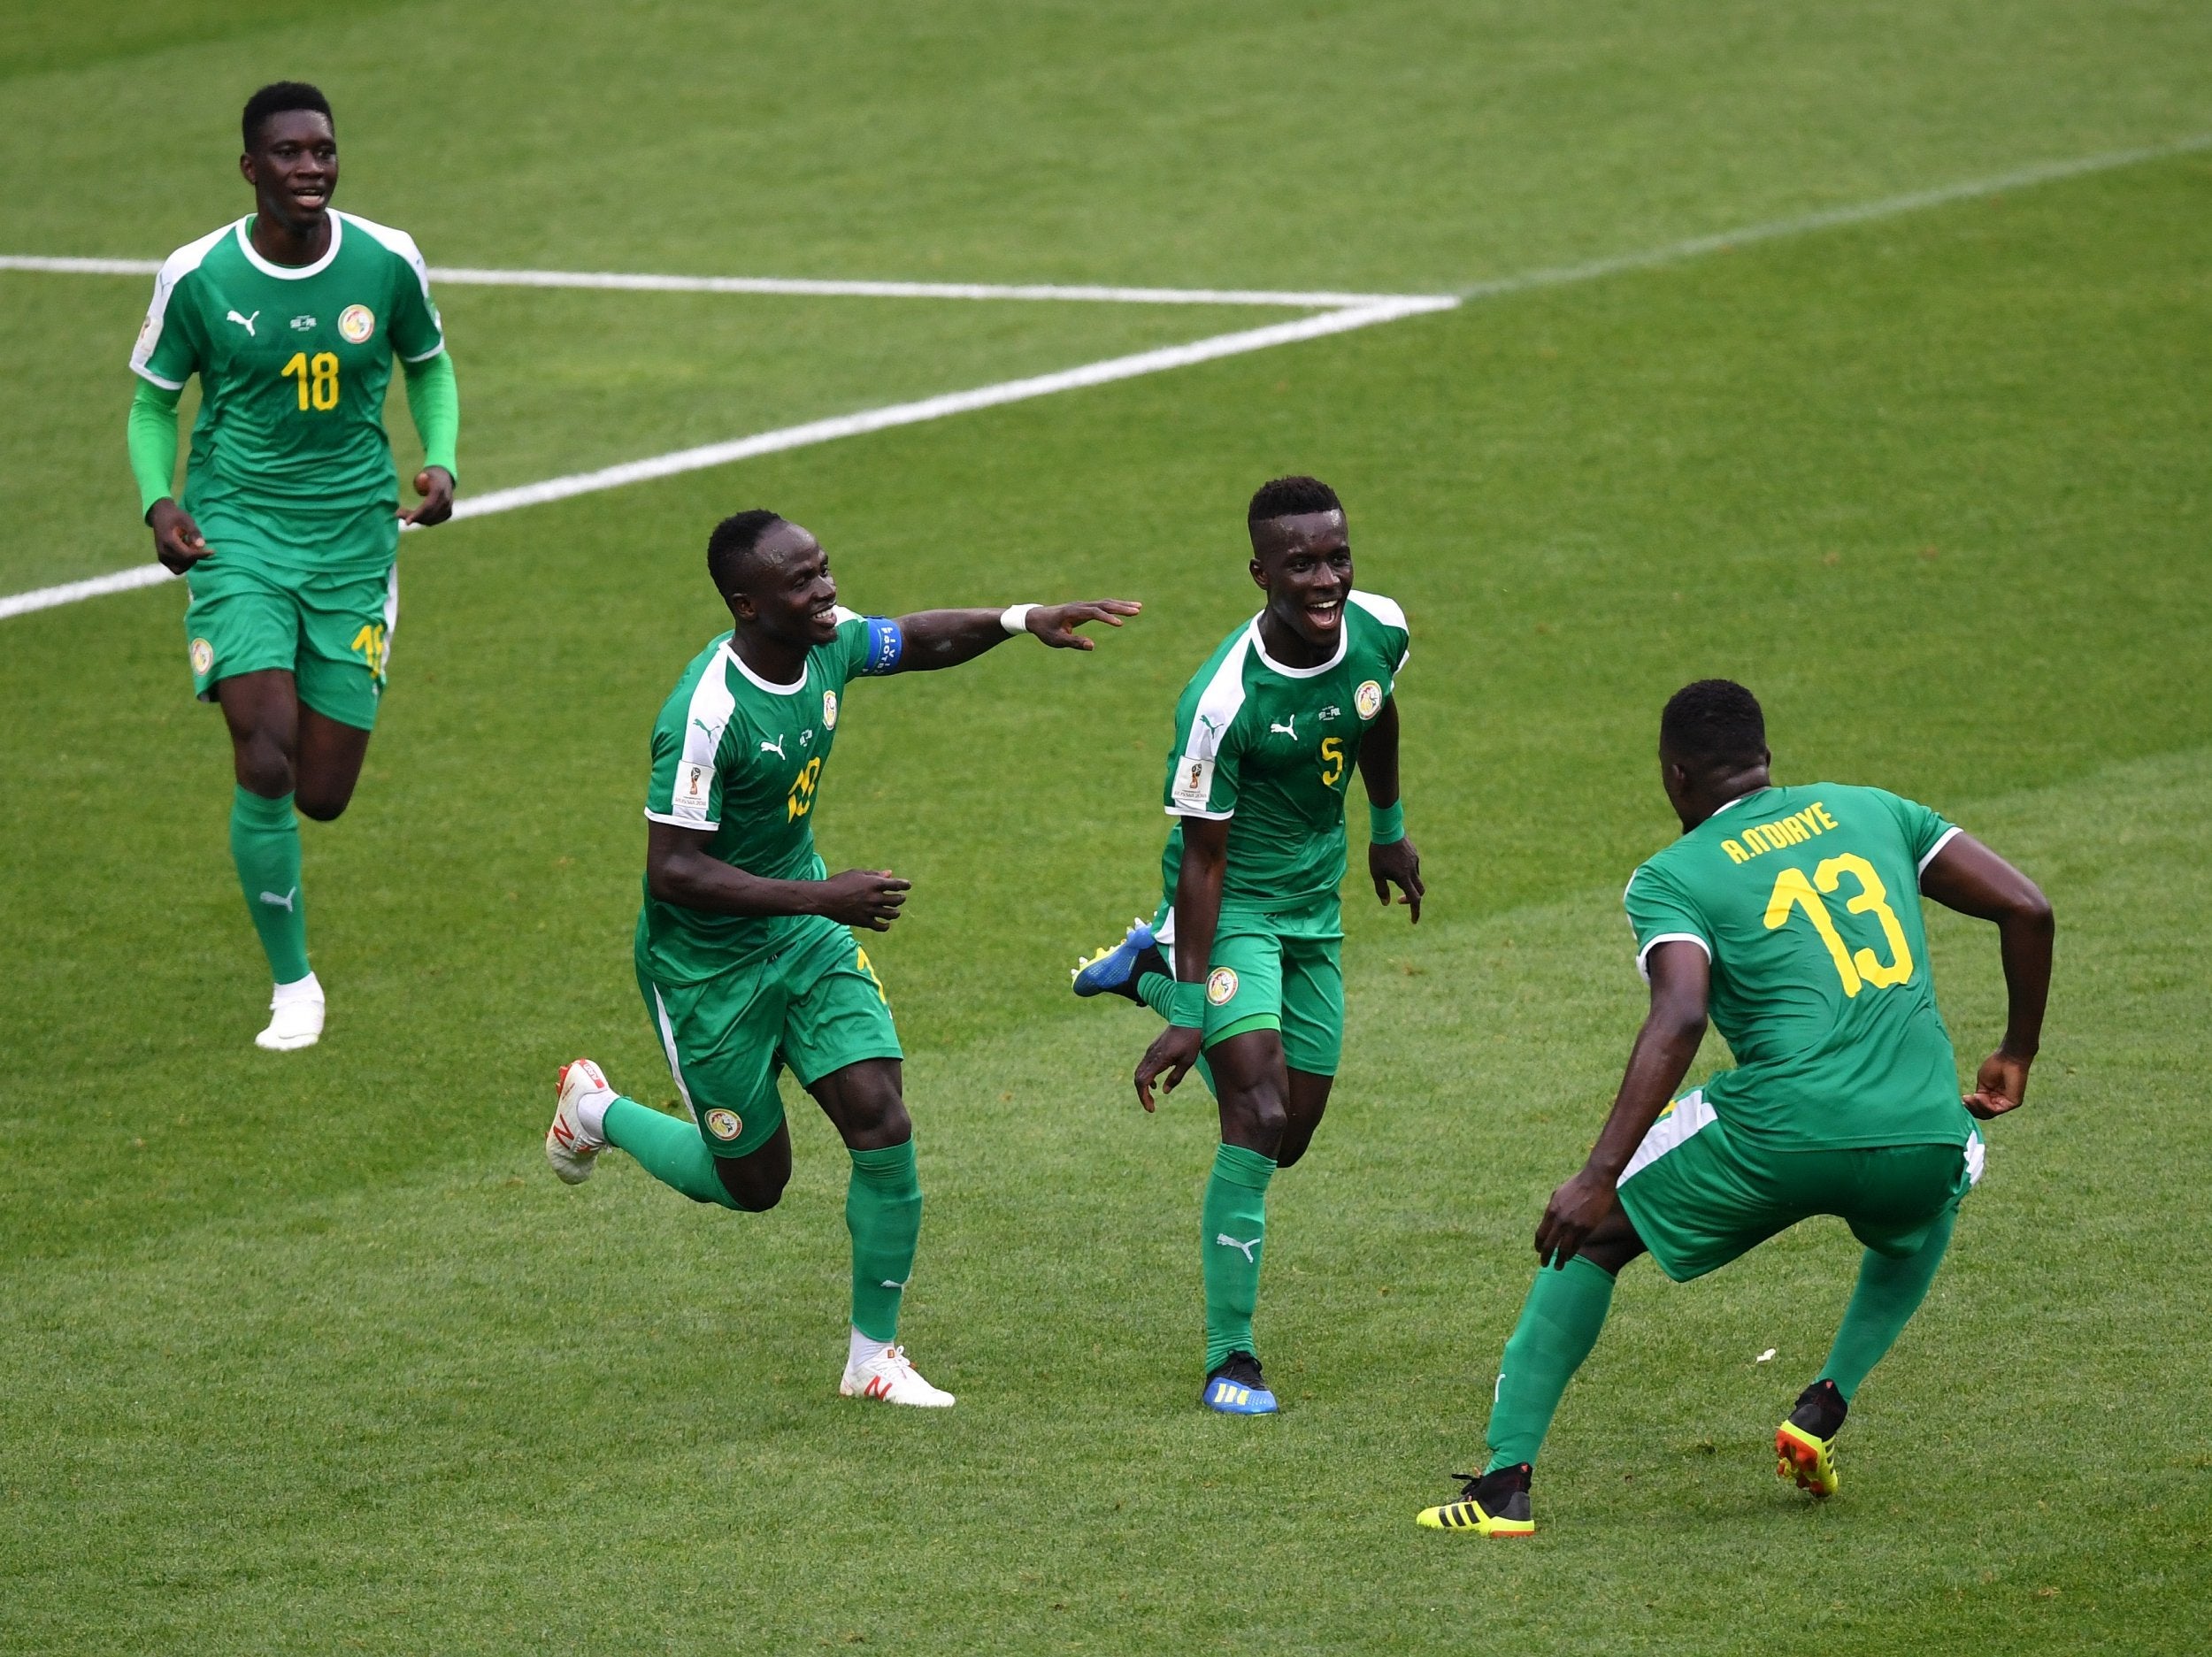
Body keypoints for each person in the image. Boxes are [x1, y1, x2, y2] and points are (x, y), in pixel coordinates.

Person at [1417, 679, 2053, 1535]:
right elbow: (2027, 905)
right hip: (1923, 1127)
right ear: (1764, 758)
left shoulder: (1671, 876)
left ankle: (1503, 1485)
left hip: (1779, 1130)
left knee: (1595, 1237)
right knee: (1951, 1169)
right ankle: (1827, 1399)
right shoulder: (1873, 810)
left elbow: (1678, 1013)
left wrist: (1596, 1173)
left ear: (1675, 777)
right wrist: (2014, 1051)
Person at [546, 510, 1139, 1407]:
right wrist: (825, 897)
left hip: (808, 934)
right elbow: (672, 871)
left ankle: (872, 1359)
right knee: (752, 1185)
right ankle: (595, 1108)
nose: (824, 591)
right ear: (748, 605)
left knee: (881, 1118)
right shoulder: (704, 713)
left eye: (823, 569)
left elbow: (915, 639)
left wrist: (1022, 619)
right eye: (801, 582)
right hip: (706, 970)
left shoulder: (824, 642)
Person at [1069, 476, 1423, 1414]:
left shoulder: (1381, 627)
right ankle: (1233, 1359)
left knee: (1288, 1138)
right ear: (1259, 571)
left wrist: (1387, 827)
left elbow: (1376, 710)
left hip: (1317, 906)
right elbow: (1203, 859)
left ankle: (1142, 966)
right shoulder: (1220, 700)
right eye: (1300, 563)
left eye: (1336, 557)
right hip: (1230, 907)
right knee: (1255, 1115)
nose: (1325, 579)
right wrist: (1191, 1012)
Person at [127, 81, 460, 1051]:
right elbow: (154, 400)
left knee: (322, 790)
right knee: (262, 747)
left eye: (323, 151)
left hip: (356, 537)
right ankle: (294, 983)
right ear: (249, 168)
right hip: (237, 531)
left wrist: (440, 460)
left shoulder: (385, 259)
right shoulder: (199, 276)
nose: (310, 168)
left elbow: (429, 364)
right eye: (288, 154)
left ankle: (290, 908)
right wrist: (162, 500)